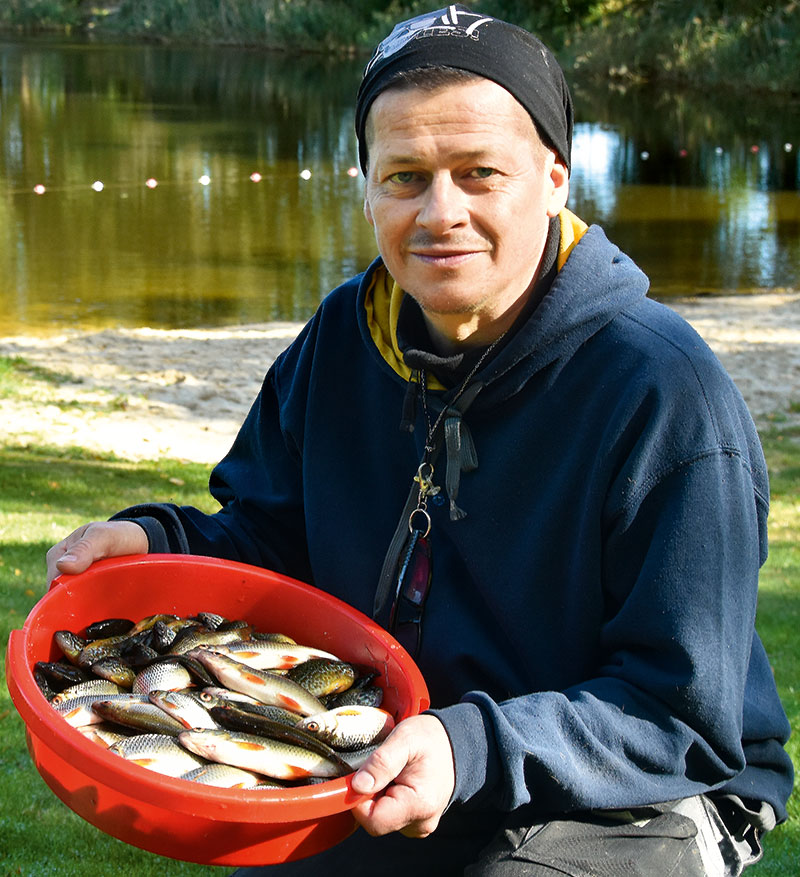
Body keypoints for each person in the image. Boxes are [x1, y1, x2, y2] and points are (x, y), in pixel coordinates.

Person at [47, 6, 793, 875]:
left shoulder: (664, 391)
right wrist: (160, 541)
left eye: (480, 173)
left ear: (554, 178)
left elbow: (679, 712)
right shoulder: (344, 336)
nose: (441, 213)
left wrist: (468, 746)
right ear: (365, 186)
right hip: (407, 745)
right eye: (404, 176)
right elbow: (271, 537)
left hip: (648, 783)